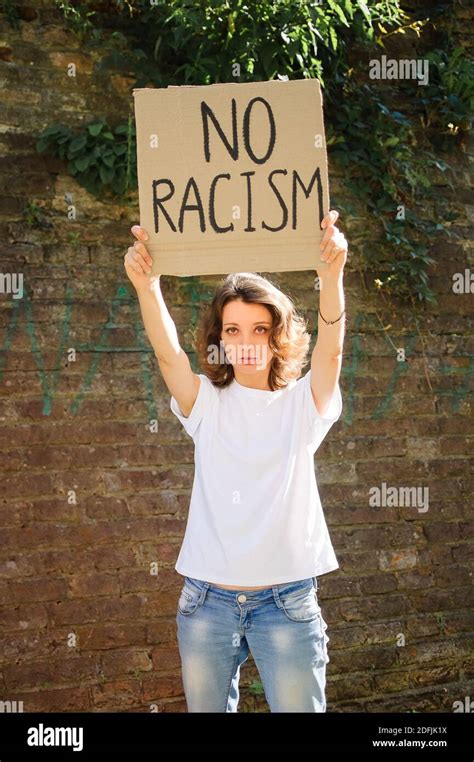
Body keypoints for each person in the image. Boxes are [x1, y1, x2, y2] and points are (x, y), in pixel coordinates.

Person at [124, 210, 348, 712]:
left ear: (278, 336)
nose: (245, 343)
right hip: (207, 606)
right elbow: (168, 355)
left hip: (286, 607)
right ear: (219, 338)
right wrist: (148, 284)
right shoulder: (205, 403)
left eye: (259, 329)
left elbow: (330, 355)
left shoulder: (303, 405)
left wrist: (331, 276)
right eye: (233, 329)